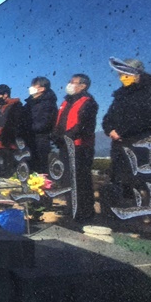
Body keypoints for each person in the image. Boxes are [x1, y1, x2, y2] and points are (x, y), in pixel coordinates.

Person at [101, 59, 151, 213]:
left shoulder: (150, 90)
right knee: (122, 181)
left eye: (126, 74)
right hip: (121, 145)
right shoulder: (119, 95)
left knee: (145, 181)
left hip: (142, 143)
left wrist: (123, 131)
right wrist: (110, 130)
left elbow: (149, 117)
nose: (123, 77)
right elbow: (108, 118)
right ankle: (125, 213)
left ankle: (150, 216)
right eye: (120, 74)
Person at [53, 74, 98, 222]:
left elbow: (83, 126)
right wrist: (56, 136)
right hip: (65, 145)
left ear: (83, 86)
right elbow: (60, 122)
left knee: (80, 179)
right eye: (69, 81)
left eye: (73, 82)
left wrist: (66, 136)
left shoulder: (88, 102)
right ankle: (71, 207)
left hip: (80, 146)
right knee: (67, 179)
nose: (69, 84)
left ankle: (84, 212)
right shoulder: (66, 102)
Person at [23, 77, 58, 174]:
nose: (31, 87)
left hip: (40, 139)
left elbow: (45, 122)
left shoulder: (47, 103)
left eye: (34, 85)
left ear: (42, 88)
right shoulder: (30, 103)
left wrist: (29, 129)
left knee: (40, 168)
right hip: (29, 139)